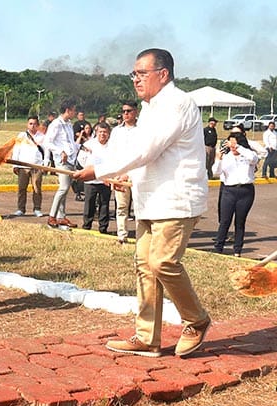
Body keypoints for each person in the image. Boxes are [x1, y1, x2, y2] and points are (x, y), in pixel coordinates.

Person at [74, 48, 211, 358]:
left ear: (162, 75)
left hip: (176, 199)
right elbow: (141, 152)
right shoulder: (150, 109)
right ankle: (147, 337)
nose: (135, 79)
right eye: (133, 74)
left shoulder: (178, 104)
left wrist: (99, 169)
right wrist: (121, 175)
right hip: (150, 198)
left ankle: (197, 321)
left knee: (163, 262)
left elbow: (147, 150)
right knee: (144, 267)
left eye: (141, 73)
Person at [212, 134, 258, 257]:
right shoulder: (227, 157)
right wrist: (218, 159)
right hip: (229, 191)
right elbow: (215, 172)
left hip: (245, 191)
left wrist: (237, 146)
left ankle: (237, 249)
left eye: (234, 143)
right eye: (230, 143)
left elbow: (254, 158)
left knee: (240, 221)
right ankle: (218, 247)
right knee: (225, 220)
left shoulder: (247, 155)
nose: (232, 146)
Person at [44, 99, 80, 228]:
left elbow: (70, 142)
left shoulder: (69, 124)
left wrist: (81, 147)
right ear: (68, 110)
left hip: (71, 160)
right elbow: (47, 142)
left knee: (65, 190)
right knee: (63, 188)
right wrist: (60, 152)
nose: (75, 113)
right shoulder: (56, 124)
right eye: (74, 110)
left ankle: (61, 216)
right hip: (61, 160)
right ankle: (52, 216)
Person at [108, 101, 138, 243]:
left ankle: (142, 238)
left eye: (129, 111)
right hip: (121, 175)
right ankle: (122, 236)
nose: (125, 114)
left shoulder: (142, 129)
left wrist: (131, 173)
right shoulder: (116, 131)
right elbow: (111, 154)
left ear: (135, 112)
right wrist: (113, 175)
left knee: (140, 209)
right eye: (124, 111)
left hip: (138, 174)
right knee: (121, 207)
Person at [8, 116, 45, 217]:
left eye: (35, 124)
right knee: (22, 188)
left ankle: (37, 208)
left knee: (37, 188)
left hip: (37, 166)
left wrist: (44, 165)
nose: (32, 126)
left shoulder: (42, 137)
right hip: (23, 165)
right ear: (27, 124)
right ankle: (21, 209)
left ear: (38, 125)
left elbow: (45, 152)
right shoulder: (22, 136)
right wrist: (15, 165)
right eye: (30, 123)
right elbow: (17, 150)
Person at [78, 122, 111, 233]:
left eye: (105, 132)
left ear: (109, 133)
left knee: (104, 204)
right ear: (96, 132)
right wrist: (88, 169)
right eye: (100, 132)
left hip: (105, 180)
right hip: (91, 180)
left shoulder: (113, 146)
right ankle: (87, 226)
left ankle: (103, 228)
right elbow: (80, 158)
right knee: (89, 203)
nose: (102, 134)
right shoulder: (89, 144)